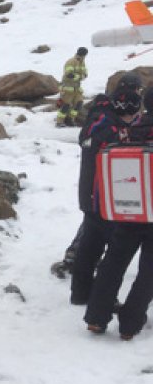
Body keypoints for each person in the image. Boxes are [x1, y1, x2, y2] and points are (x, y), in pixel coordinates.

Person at [52, 72, 144, 277]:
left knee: (95, 225)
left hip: (103, 184)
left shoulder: (112, 112)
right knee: (98, 226)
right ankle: (78, 263)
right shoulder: (106, 116)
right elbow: (91, 141)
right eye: (137, 89)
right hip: (99, 184)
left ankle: (77, 261)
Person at [84, 88, 153, 338]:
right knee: (149, 271)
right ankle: (130, 323)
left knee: (113, 262)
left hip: (129, 207)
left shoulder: (131, 130)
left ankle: (96, 317)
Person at [69, 87, 142, 305]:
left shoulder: (97, 120)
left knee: (89, 247)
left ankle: (80, 293)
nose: (135, 117)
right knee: (110, 251)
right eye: (134, 113)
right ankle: (104, 298)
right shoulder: (112, 129)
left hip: (90, 195)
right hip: (105, 197)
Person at [57, 47, 89, 127]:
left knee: (79, 103)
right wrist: (79, 77)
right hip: (68, 88)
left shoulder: (82, 62)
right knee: (65, 105)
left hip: (77, 88)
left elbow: (85, 74)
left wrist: (82, 76)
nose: (83, 57)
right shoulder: (71, 61)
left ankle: (71, 119)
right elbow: (68, 74)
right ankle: (59, 122)